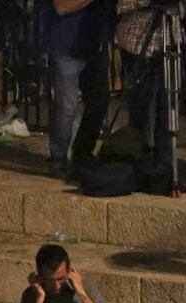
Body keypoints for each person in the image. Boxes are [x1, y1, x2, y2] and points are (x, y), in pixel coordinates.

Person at [38, 0, 111, 178]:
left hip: (92, 45)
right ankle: (58, 159)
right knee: (67, 106)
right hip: (66, 45)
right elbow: (62, 6)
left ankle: (82, 153)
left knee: (99, 101)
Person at [116, 0, 176, 170]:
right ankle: (139, 162)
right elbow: (121, 5)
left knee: (168, 106)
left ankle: (164, 166)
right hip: (138, 43)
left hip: (170, 40)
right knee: (141, 108)